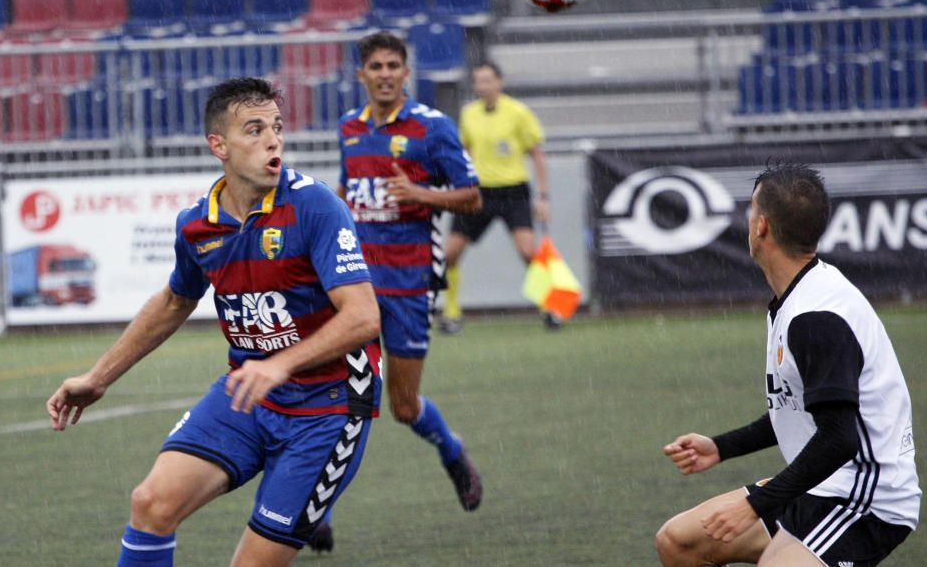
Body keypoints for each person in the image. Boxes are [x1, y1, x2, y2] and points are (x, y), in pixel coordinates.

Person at [45, 77, 381, 566]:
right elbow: (175, 301)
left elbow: (364, 316)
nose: (273, 140)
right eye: (255, 129)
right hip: (246, 393)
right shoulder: (197, 225)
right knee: (150, 504)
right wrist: (98, 378)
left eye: (277, 127)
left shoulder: (314, 206)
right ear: (218, 145)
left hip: (329, 409)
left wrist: (281, 364)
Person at [656, 163, 920, 567]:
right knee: (679, 542)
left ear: (761, 227)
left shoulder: (816, 317)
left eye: (749, 212)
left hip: (864, 496)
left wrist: (756, 505)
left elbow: (839, 439)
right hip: (820, 482)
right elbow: (800, 408)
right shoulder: (797, 296)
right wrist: (721, 447)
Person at [333, 31, 483, 531]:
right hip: (352, 285)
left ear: (405, 72)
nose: (384, 74)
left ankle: (451, 450)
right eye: (375, 66)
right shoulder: (349, 128)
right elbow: (348, 187)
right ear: (362, 75)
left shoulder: (431, 128)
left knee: (400, 405)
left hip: (409, 281)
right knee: (342, 403)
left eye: (393, 65)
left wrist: (418, 192)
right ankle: (313, 509)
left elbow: (471, 197)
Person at [439, 61, 554, 334]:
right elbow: (464, 151)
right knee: (450, 254)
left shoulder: (518, 112)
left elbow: (536, 153)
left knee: (528, 251)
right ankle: (452, 312)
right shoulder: (469, 114)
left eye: (488, 80)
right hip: (478, 193)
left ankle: (551, 305)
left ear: (499, 82)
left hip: (513, 190)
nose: (483, 86)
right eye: (478, 81)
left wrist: (544, 196)